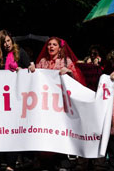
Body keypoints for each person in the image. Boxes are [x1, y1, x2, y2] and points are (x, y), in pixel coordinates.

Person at [28, 37, 86, 170]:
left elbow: (78, 80)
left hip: (61, 105)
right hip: (45, 105)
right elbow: (35, 78)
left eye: (54, 45)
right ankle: (45, 161)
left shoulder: (66, 62)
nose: (51, 47)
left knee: (60, 131)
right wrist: (31, 70)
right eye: (49, 45)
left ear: (59, 48)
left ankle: (62, 161)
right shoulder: (42, 62)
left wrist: (70, 72)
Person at [0, 29, 30, 171]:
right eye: (3, 42)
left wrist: (22, 70)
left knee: (13, 131)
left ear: (12, 40)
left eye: (8, 41)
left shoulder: (20, 53)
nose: (6, 44)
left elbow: (30, 69)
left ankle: (11, 164)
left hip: (16, 98)